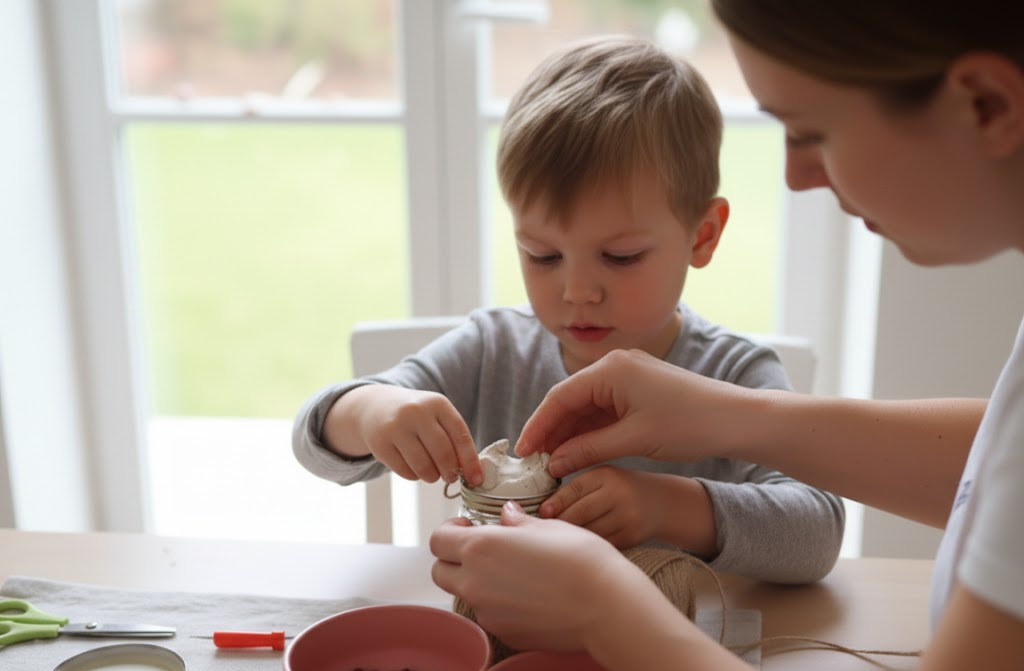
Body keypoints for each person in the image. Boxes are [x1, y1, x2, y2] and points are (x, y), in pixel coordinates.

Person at [429, 3, 1024, 670]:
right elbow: (997, 457)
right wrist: (732, 417)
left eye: (809, 131)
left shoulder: (732, 361)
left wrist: (607, 605)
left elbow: (820, 527)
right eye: (542, 254)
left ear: (988, 107)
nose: (796, 176)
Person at [292, 34, 844, 583]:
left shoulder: (735, 377)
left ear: (702, 236)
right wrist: (370, 411)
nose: (578, 290)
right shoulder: (492, 352)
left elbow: (817, 534)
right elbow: (313, 442)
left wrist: (672, 507)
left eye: (620, 256)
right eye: (543, 255)